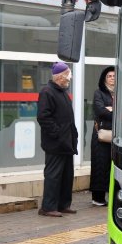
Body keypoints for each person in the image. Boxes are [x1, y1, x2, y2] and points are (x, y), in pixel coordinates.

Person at [37, 61, 78, 217]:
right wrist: (58, 134)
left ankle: (62, 205)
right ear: (61, 76)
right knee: (53, 176)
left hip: (67, 143)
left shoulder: (62, 91)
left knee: (67, 175)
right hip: (55, 143)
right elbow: (43, 117)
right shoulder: (47, 92)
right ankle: (48, 207)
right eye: (68, 73)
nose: (70, 77)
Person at [89, 66, 115, 206]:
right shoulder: (99, 93)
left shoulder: (119, 93)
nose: (112, 78)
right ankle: (97, 198)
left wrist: (111, 109)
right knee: (100, 165)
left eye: (114, 76)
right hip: (101, 135)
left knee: (112, 166)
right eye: (109, 76)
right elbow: (100, 111)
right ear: (104, 79)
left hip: (115, 136)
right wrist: (113, 111)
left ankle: (112, 195)